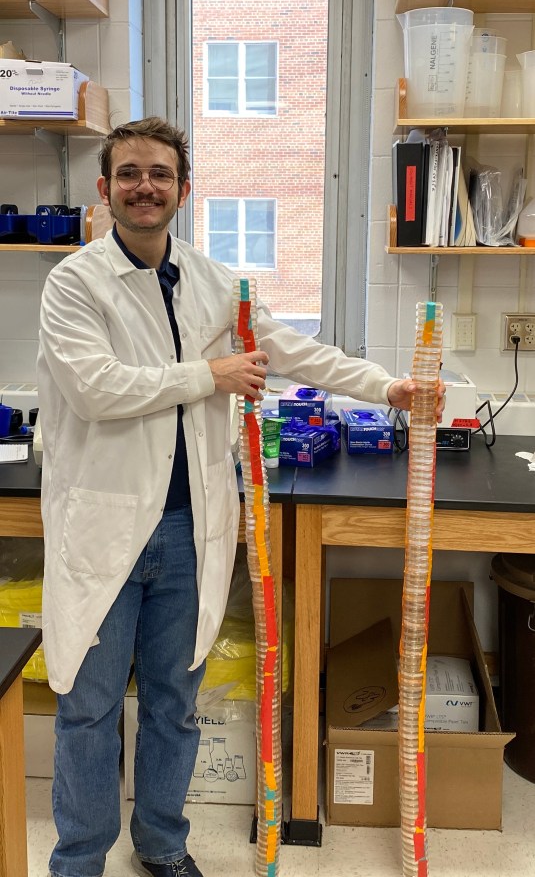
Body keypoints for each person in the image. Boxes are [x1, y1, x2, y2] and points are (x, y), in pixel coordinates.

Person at [37, 116, 445, 877]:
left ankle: (160, 845)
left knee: (173, 704)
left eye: (159, 173)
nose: (144, 186)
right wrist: (211, 375)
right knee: (87, 709)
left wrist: (384, 385)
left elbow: (292, 348)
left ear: (182, 191)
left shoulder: (210, 280)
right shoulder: (74, 283)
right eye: (128, 173)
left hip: (191, 530)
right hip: (101, 531)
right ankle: (77, 862)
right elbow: (96, 391)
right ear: (104, 189)